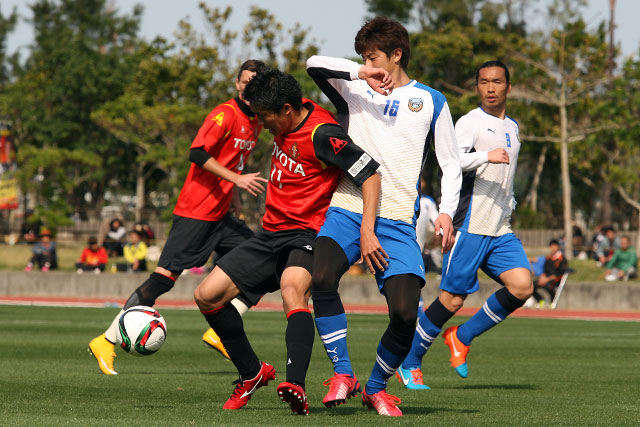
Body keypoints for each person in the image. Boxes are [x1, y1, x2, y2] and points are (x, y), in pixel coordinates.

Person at [193, 67, 381, 416]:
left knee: (293, 288)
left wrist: (367, 229)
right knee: (206, 296)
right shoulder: (291, 107)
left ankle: (295, 383)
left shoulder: (322, 135)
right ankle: (251, 373)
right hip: (270, 232)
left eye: (265, 117)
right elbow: (314, 65)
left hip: (307, 232)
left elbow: (369, 173)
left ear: (287, 111)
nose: (261, 124)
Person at [306, 16, 461, 416]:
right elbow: (312, 63)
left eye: (374, 56)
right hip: (346, 209)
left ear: (396, 54)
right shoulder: (353, 87)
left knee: (406, 313)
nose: (368, 63)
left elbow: (451, 163)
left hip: (395, 221)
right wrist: (362, 72)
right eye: (363, 58)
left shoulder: (431, 100)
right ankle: (343, 373)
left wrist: (446, 212)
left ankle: (376, 388)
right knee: (320, 278)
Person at [88, 59, 268, 375]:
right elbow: (197, 153)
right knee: (163, 279)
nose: (249, 86)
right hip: (196, 211)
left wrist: (234, 194)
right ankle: (106, 339)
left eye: (257, 81)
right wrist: (237, 181)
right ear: (237, 84)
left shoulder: (255, 122)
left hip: (222, 215)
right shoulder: (225, 114)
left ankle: (220, 331)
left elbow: (234, 165)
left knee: (270, 262)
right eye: (245, 81)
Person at [397, 60, 534, 389]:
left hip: (500, 228)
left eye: (497, 82)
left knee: (522, 287)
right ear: (477, 87)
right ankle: (410, 360)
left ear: (508, 87)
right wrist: (486, 157)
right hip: (470, 225)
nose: (490, 88)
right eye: (484, 82)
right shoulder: (471, 123)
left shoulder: (513, 128)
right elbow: (451, 160)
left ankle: (462, 337)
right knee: (451, 300)